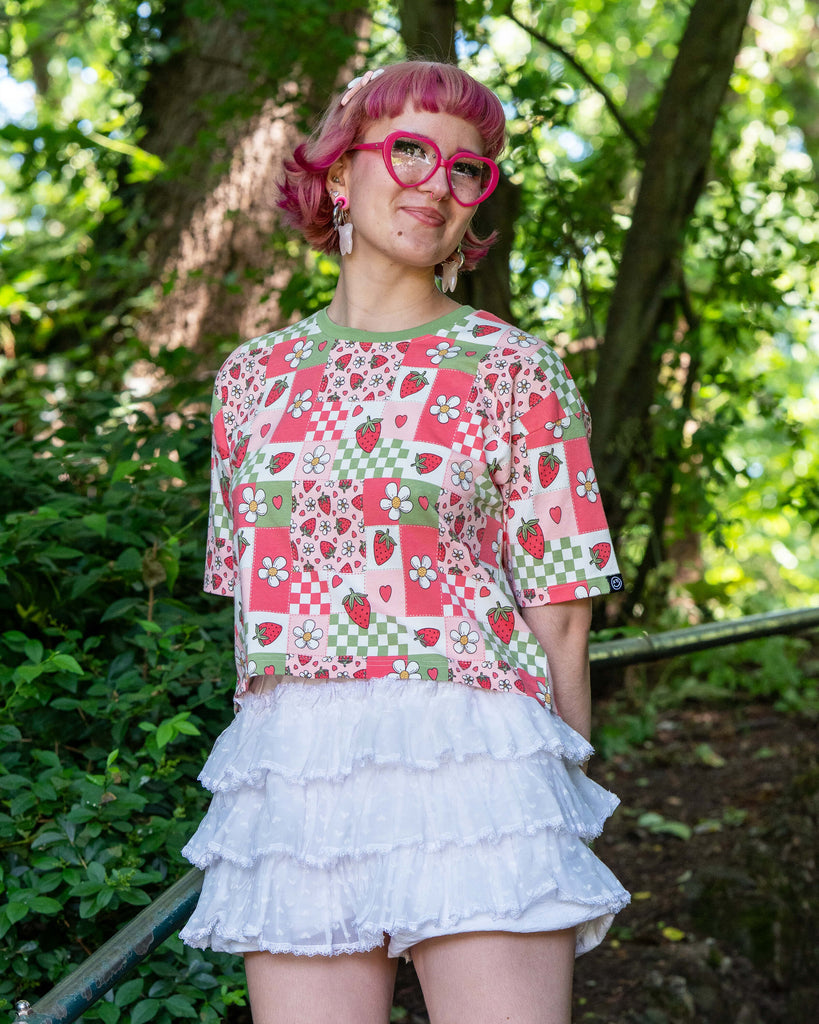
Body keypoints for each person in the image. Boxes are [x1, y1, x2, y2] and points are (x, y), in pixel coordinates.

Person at [180, 60, 629, 1024]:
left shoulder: (515, 370)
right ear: (341, 173)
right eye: (410, 151)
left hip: (477, 767)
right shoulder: (251, 380)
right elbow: (254, 617)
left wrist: (556, 806)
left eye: (467, 171)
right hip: (297, 774)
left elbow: (561, 624)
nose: (438, 183)